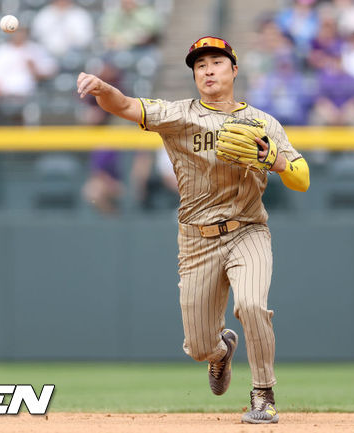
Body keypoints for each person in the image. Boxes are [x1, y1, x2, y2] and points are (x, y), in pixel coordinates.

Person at [76, 36, 310, 424]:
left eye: (216, 62)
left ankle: (263, 394)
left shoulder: (263, 122)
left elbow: (302, 178)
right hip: (197, 239)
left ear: (234, 69)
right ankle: (221, 352)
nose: (208, 70)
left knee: (251, 305)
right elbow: (125, 105)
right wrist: (102, 88)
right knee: (200, 346)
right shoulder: (177, 115)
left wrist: (275, 159)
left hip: (248, 229)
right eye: (200, 65)